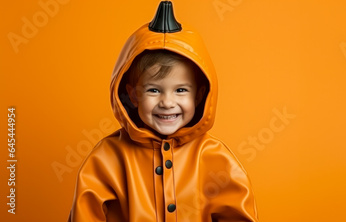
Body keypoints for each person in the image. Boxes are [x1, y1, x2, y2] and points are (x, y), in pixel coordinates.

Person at [67, 1, 258, 221]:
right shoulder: (107, 159)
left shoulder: (216, 158)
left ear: (198, 95)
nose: (167, 102)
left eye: (180, 90)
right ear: (133, 95)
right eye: (154, 90)